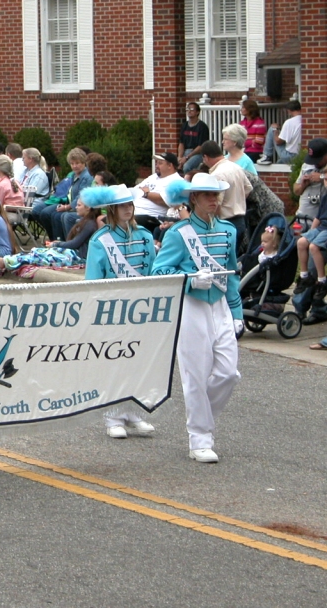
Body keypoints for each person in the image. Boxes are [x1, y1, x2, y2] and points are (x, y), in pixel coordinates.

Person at [153, 174, 242, 463]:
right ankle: (199, 437)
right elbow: (158, 273)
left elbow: (230, 276)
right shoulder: (178, 234)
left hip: (220, 307)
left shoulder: (229, 231)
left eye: (216, 195)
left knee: (228, 373)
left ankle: (204, 420)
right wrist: (191, 280)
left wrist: (237, 312)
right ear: (193, 199)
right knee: (195, 375)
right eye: (207, 195)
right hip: (191, 307)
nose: (213, 200)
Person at [81, 184, 157, 439]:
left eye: (130, 204)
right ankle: (112, 416)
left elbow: (153, 274)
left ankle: (132, 412)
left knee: (137, 362)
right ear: (112, 209)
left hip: (141, 309)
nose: (128, 208)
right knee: (114, 363)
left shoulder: (145, 236)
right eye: (123, 205)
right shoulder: (100, 241)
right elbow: (93, 281)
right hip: (112, 310)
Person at [201, 140, 251, 254]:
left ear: (206, 157)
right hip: (241, 220)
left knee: (223, 260)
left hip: (224, 223)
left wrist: (213, 228)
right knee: (234, 258)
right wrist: (236, 201)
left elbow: (216, 204)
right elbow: (248, 189)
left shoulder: (217, 174)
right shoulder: (236, 167)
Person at [30, 147, 92, 240]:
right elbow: (63, 189)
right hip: (65, 202)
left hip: (76, 207)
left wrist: (67, 207)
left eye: (77, 163)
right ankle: (54, 240)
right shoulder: (73, 174)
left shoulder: (86, 177)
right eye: (72, 163)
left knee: (54, 215)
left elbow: (81, 196)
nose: (74, 166)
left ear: (84, 162)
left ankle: (60, 242)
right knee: (40, 211)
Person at [133, 153, 182, 233]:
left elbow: (163, 200)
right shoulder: (153, 177)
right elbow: (135, 190)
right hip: (133, 211)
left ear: (170, 166)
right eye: (156, 163)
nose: (156, 165)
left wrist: (146, 194)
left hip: (152, 218)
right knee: (108, 215)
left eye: (160, 163)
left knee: (123, 221)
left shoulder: (177, 181)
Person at [259, 100, 302, 165]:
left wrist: (276, 130)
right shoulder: (305, 120)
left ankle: (266, 156)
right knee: (279, 163)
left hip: (290, 156)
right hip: (301, 155)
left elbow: (278, 142)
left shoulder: (289, 122)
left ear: (289, 110)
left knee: (272, 129)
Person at [178, 102, 209, 173]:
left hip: (198, 154)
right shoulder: (184, 125)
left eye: (192, 109)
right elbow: (181, 143)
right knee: (176, 165)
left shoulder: (202, 127)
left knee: (186, 167)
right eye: (187, 109)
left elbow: (201, 147)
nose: (189, 111)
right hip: (186, 152)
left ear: (197, 112)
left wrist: (186, 158)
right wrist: (179, 157)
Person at [239, 99, 266, 163]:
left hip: (256, 152)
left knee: (243, 161)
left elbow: (258, 142)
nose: (241, 109)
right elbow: (239, 140)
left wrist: (246, 143)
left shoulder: (259, 123)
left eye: (243, 107)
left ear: (250, 109)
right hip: (243, 151)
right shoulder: (241, 123)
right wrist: (250, 142)